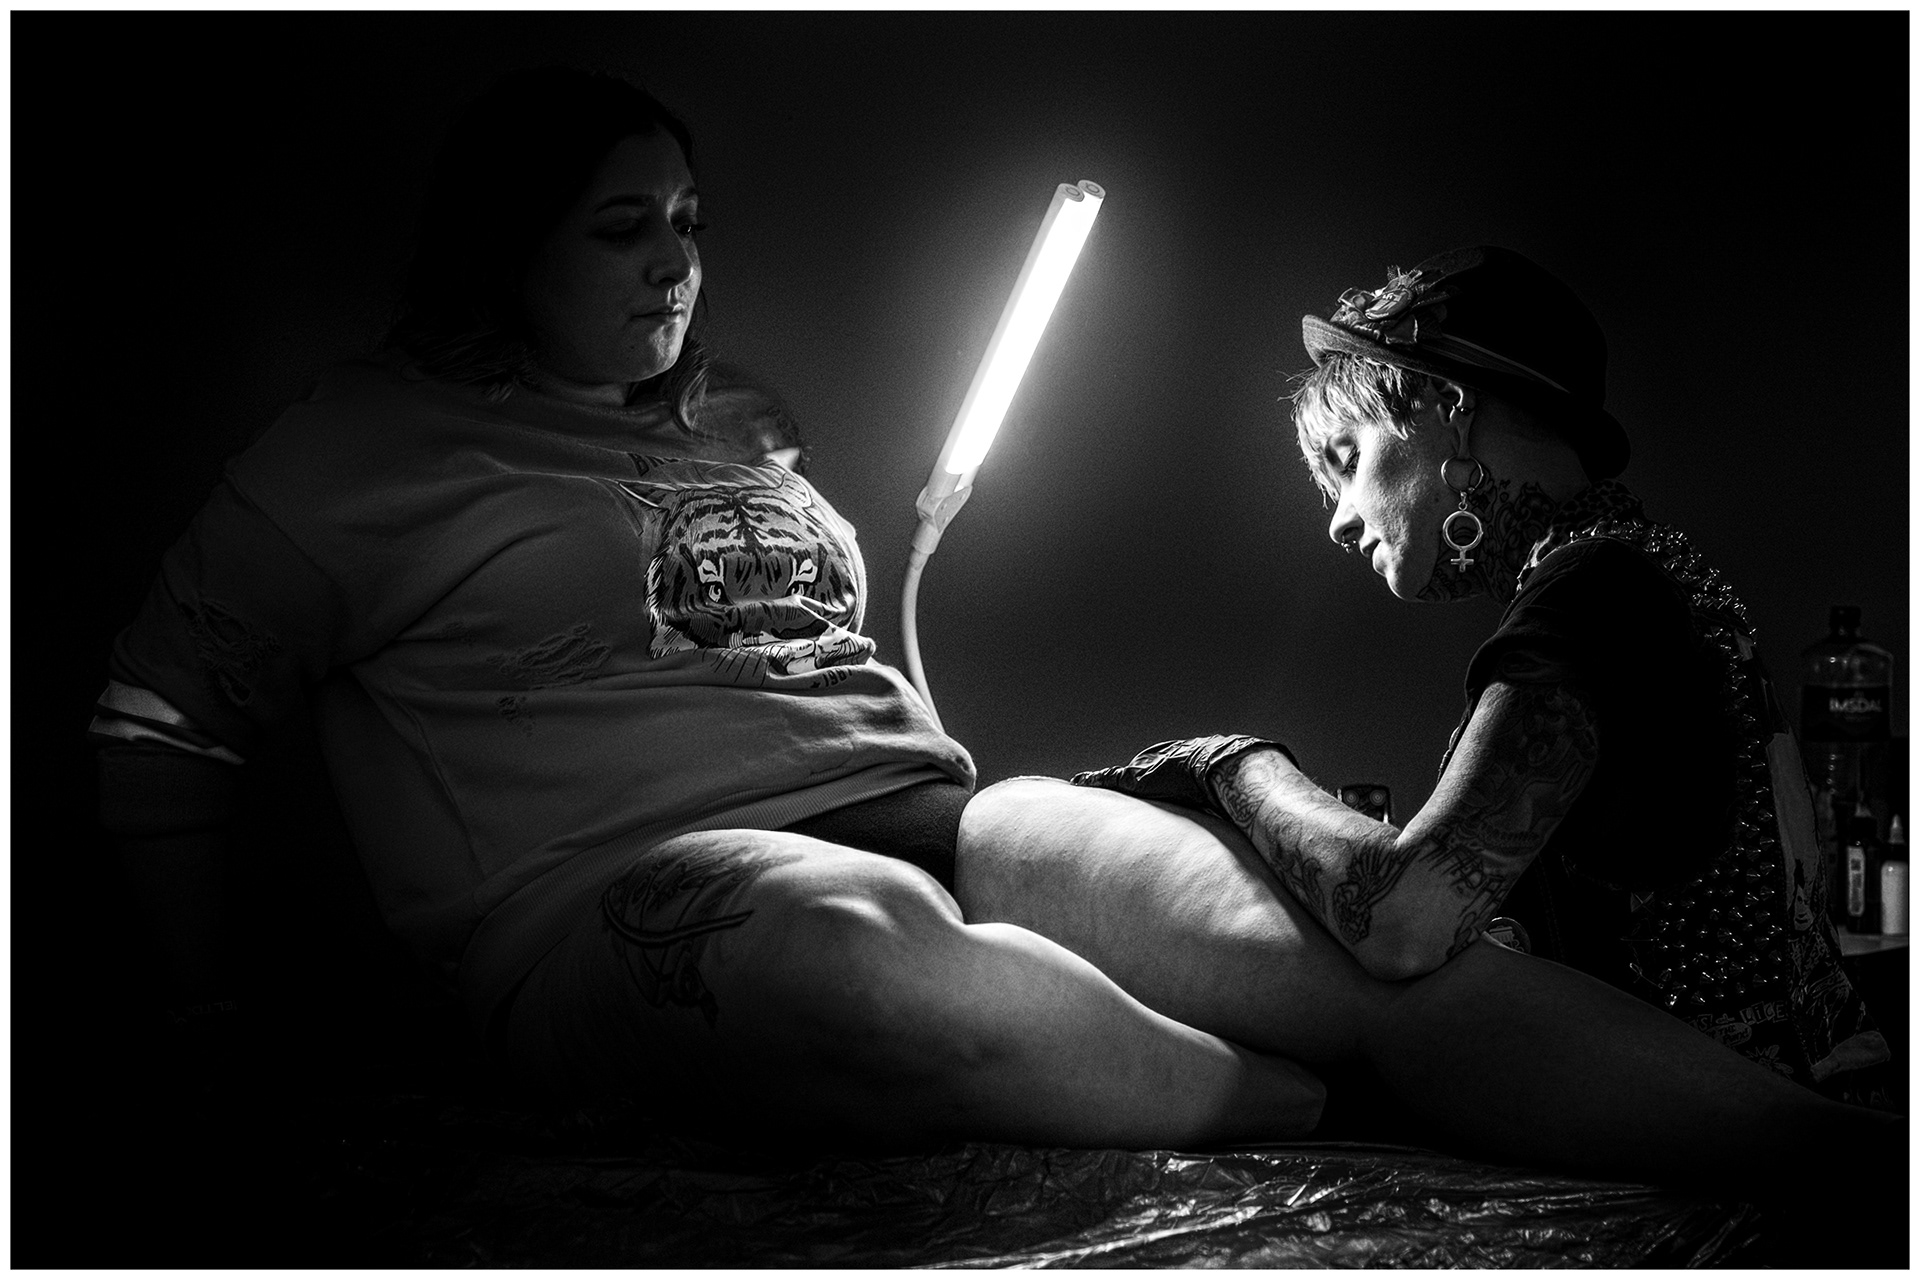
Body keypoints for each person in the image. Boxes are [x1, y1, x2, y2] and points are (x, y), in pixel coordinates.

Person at [88, 65, 1327, 1152]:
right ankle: (1306, 1110)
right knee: (857, 955)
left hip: (924, 806)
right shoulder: (358, 449)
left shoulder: (732, 424)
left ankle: (1379, 1053)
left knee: (1261, 921)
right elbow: (156, 722)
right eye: (620, 226)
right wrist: (204, 1016)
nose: (674, 261)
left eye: (687, 221)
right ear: (504, 249)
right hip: (636, 885)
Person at [954, 247, 1902, 1216]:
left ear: (1447, 408)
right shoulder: (1654, 576)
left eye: (1348, 459)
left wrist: (1232, 765)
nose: (1340, 522)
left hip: (1709, 1129)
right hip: (1760, 1093)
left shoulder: (1594, 592)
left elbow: (1407, 923)